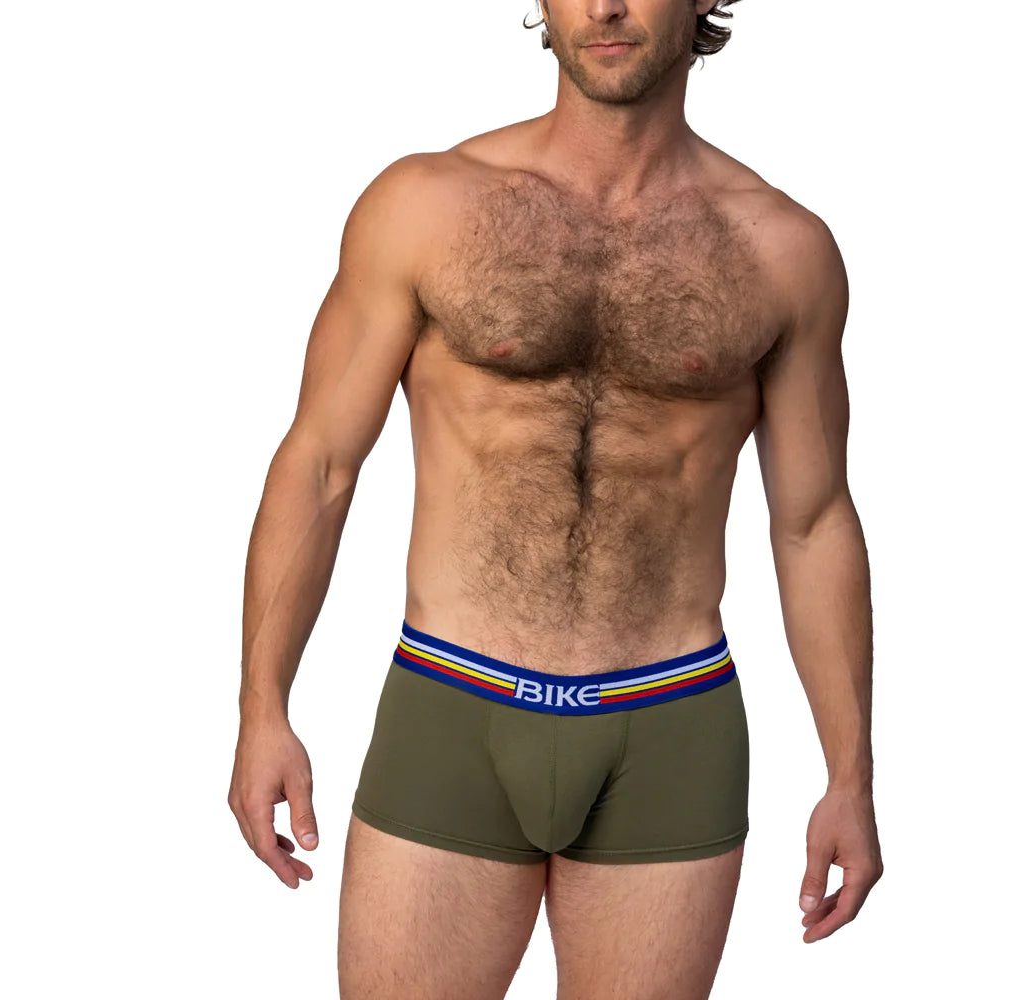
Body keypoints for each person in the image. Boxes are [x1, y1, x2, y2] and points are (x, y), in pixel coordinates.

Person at [228, 1, 882, 996]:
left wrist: (849, 775)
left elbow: (812, 518)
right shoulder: (425, 205)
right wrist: (262, 707)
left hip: (668, 719)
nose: (604, 6)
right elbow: (319, 464)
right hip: (453, 699)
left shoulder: (782, 250)